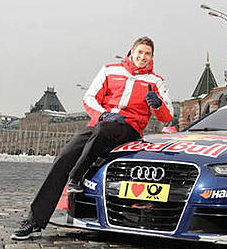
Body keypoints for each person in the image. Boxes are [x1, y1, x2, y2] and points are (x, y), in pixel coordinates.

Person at [11, 36, 173, 240]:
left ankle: (76, 177)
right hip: (101, 123)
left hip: (129, 128)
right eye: (139, 52)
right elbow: (89, 97)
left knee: (104, 130)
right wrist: (103, 114)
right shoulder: (109, 70)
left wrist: (157, 104)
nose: (142, 57)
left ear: (152, 58)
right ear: (131, 52)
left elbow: (168, 115)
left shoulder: (156, 82)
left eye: (147, 54)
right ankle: (34, 221)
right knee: (65, 156)